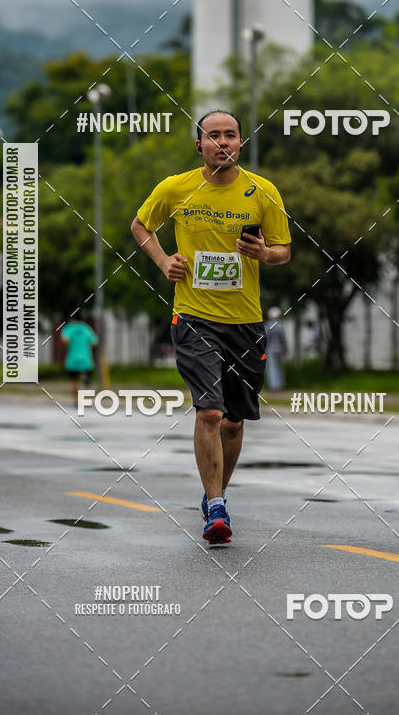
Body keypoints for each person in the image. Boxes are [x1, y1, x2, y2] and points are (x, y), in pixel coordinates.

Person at [131, 110, 291, 544]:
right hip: (194, 316)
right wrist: (164, 260)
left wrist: (263, 253)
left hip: (245, 321)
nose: (223, 142)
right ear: (198, 145)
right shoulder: (176, 187)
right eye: (213, 136)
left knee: (234, 423)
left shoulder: (262, 191)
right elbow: (140, 225)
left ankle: (215, 492)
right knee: (210, 411)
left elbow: (284, 251)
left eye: (231, 135)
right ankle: (216, 506)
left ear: (241, 142)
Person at [60, 314, 98, 406]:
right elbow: (94, 342)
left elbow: (65, 340)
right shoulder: (86, 328)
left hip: (73, 360)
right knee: (86, 382)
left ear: (71, 318)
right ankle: (85, 400)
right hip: (85, 360)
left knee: (73, 381)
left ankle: (76, 401)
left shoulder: (69, 328)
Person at [264, 306, 288, 391]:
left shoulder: (267, 326)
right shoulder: (281, 326)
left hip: (270, 350)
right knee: (280, 367)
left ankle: (274, 386)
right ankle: (280, 385)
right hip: (280, 349)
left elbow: (265, 339)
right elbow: (284, 339)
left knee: (272, 368)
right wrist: (285, 351)